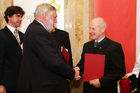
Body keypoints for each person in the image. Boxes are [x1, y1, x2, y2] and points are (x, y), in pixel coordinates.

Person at [17, 3, 80, 93]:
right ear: (45, 16)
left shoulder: (34, 28)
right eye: (54, 17)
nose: (56, 21)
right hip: (43, 86)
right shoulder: (39, 32)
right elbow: (53, 61)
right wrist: (72, 73)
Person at [75, 17, 126, 93]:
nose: (90, 31)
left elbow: (120, 71)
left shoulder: (114, 47)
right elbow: (83, 63)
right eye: (90, 28)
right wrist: (77, 70)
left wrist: (101, 81)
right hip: (88, 89)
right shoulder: (87, 46)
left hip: (106, 89)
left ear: (102, 29)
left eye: (93, 29)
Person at [0, 6, 25, 93]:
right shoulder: (1, 35)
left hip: (22, 83)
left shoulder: (23, 35)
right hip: (8, 84)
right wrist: (1, 84)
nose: (20, 19)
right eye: (17, 16)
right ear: (9, 17)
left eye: (21, 16)